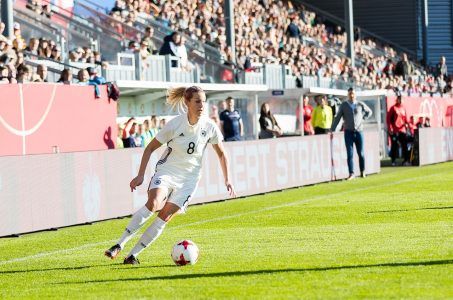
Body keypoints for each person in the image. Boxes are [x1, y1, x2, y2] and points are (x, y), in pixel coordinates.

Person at [104, 86, 236, 264]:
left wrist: (227, 179)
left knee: (164, 216)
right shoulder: (175, 124)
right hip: (168, 171)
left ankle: (133, 255)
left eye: (203, 101)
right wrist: (140, 175)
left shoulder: (210, 126)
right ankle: (119, 245)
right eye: (197, 101)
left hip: (189, 179)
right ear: (187, 102)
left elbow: (221, 153)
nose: (202, 105)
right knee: (154, 203)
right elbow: (150, 148)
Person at [331, 88, 373, 180]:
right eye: (350, 94)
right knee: (349, 154)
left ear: (355, 95)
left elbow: (369, 112)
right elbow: (338, 117)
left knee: (361, 153)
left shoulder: (360, 104)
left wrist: (363, 118)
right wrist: (332, 129)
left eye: (353, 93)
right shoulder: (344, 105)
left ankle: (363, 171)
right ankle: (351, 173)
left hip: (359, 131)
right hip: (348, 132)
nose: (352, 95)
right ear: (348, 95)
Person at [387, 94, 410, 166]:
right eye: (399, 99)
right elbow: (388, 119)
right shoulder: (393, 108)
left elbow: (406, 119)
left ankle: (406, 160)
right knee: (394, 146)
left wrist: (407, 125)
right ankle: (393, 161)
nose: (400, 100)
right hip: (394, 130)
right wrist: (390, 128)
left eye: (401, 99)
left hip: (402, 130)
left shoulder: (403, 108)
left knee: (404, 145)